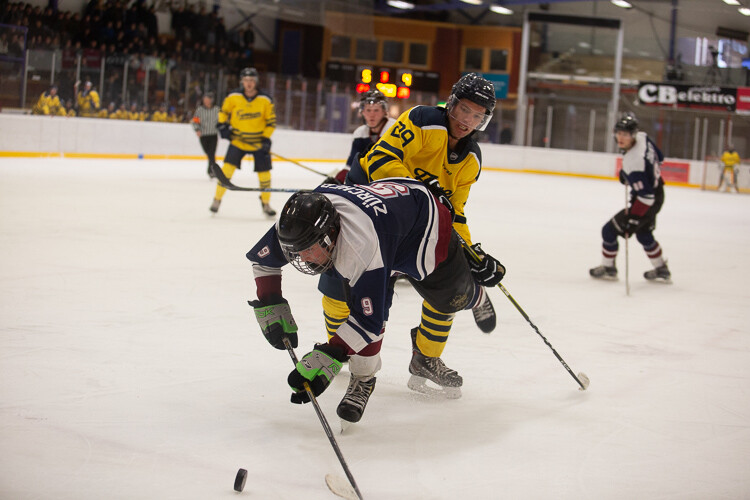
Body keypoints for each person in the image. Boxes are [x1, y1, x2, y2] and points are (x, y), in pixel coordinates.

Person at [247, 179, 505, 423]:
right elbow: (263, 260)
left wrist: (330, 352)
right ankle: (364, 378)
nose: (302, 257)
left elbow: (368, 321)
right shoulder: (301, 224)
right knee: (367, 303)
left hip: (423, 226)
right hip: (386, 219)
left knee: (451, 298)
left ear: (331, 233)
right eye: (296, 251)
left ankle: (475, 295)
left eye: (309, 250)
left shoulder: (359, 248)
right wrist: (270, 301)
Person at [332, 73, 501, 394]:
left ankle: (426, 358)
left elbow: (457, 212)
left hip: (416, 227)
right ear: (451, 104)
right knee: (343, 292)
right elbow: (380, 160)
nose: (468, 121)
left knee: (450, 284)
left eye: (477, 116)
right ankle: (341, 347)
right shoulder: (422, 120)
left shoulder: (471, 160)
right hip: (371, 213)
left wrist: (472, 255)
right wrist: (419, 189)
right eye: (465, 110)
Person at [590, 114, 671, 282]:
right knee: (643, 234)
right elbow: (660, 158)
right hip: (658, 193)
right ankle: (661, 268)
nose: (621, 137)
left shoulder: (634, 162)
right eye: (619, 133)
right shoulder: (643, 137)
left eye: (626, 134)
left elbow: (646, 197)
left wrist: (634, 218)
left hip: (647, 200)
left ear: (633, 134)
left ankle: (608, 267)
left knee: (609, 231)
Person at [210, 67, 277, 216]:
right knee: (226, 171)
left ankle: (266, 203)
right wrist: (222, 125)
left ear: (256, 82)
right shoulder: (233, 96)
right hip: (238, 141)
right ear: (242, 81)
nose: (249, 83)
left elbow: (271, 122)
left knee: (265, 175)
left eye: (252, 80)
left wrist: (265, 138)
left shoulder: (265, 100)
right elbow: (223, 112)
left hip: (258, 142)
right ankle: (217, 199)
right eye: (246, 80)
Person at [191, 92, 220, 179]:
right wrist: (197, 129)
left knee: (211, 153)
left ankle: (212, 171)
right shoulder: (199, 110)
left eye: (207, 100)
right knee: (209, 153)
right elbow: (195, 120)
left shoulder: (217, 110)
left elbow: (221, 120)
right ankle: (212, 169)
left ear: (211, 100)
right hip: (203, 135)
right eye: (204, 100)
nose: (206, 101)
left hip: (213, 135)